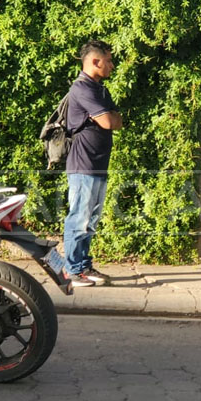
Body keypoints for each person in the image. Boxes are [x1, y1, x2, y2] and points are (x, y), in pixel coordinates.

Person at [62, 40, 122, 287]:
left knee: (91, 219)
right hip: (83, 166)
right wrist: (109, 118)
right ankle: (72, 270)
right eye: (108, 60)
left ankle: (84, 266)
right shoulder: (82, 88)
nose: (111, 65)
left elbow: (118, 119)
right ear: (95, 62)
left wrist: (110, 118)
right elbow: (109, 122)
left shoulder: (100, 89)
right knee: (79, 217)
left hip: (99, 165)